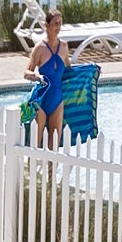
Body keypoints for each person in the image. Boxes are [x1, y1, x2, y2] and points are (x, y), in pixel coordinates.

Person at [24, 8, 71, 145]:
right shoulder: (39, 48)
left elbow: (69, 71)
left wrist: (90, 70)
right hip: (42, 101)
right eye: (55, 23)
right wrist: (36, 76)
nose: (58, 27)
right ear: (47, 25)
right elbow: (26, 73)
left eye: (60, 23)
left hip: (58, 101)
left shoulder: (64, 47)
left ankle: (51, 163)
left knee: (54, 146)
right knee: (35, 144)